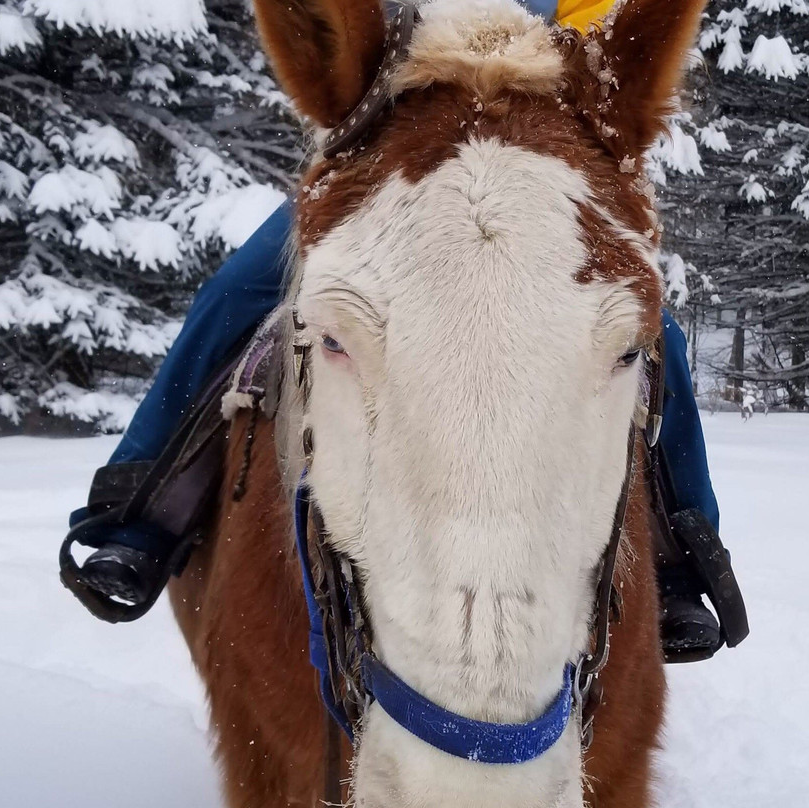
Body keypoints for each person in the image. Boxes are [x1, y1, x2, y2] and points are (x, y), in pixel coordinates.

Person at [64, 0, 726, 658]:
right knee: (238, 289)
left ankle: (678, 555)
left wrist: (541, 64)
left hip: (537, 132)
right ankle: (141, 511)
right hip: (402, 130)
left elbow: (595, 27)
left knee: (650, 333)